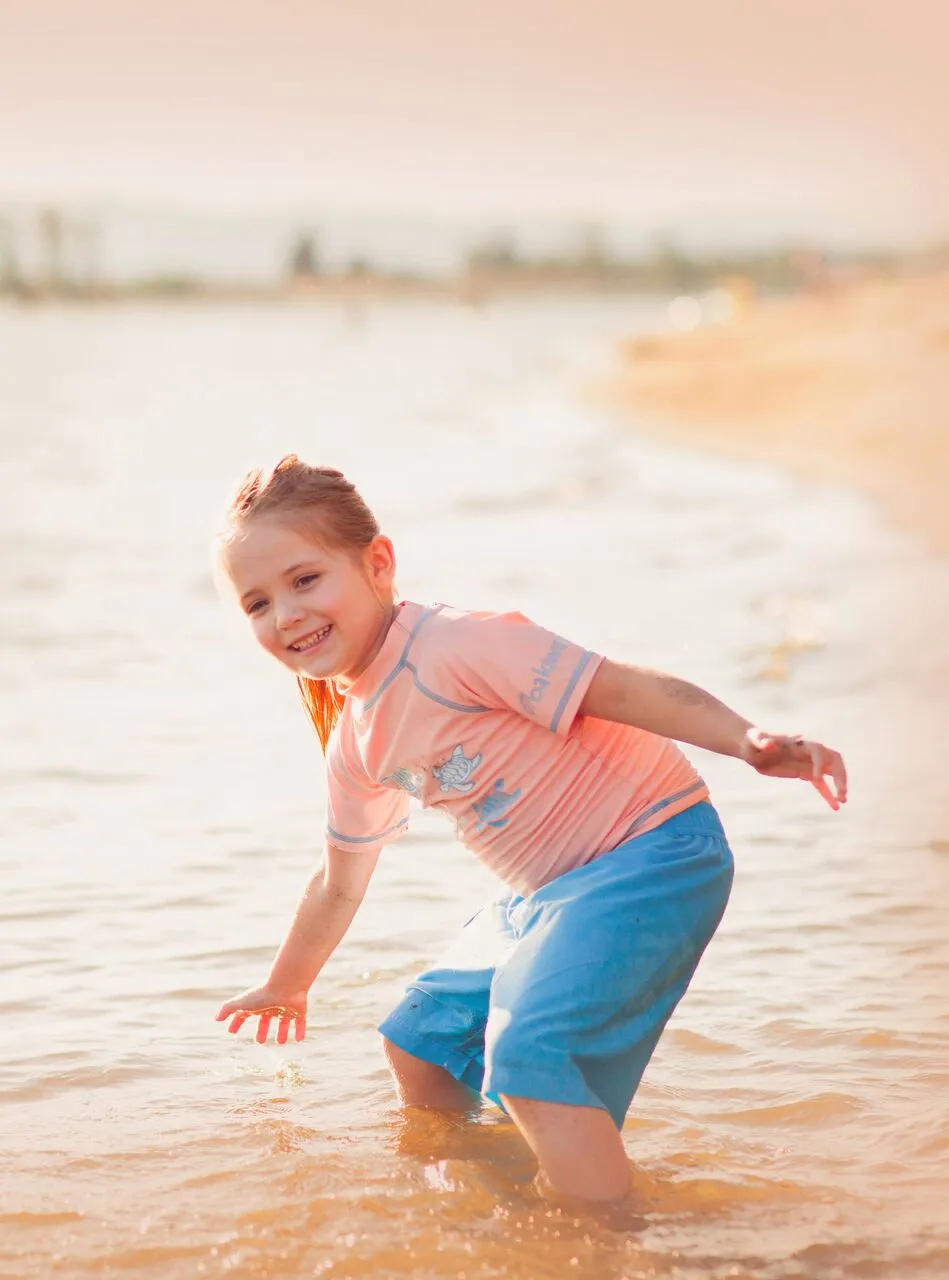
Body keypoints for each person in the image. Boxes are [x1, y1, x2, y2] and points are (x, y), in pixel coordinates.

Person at [214, 455, 847, 1204]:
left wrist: (746, 741)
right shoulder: (355, 742)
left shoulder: (453, 646)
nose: (285, 614)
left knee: (530, 1055)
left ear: (377, 563)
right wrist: (289, 985)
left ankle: (610, 1241)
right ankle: (498, 1198)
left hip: (655, 850)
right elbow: (338, 880)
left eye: (305, 580)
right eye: (256, 603)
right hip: (554, 895)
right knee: (422, 1043)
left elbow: (619, 688)